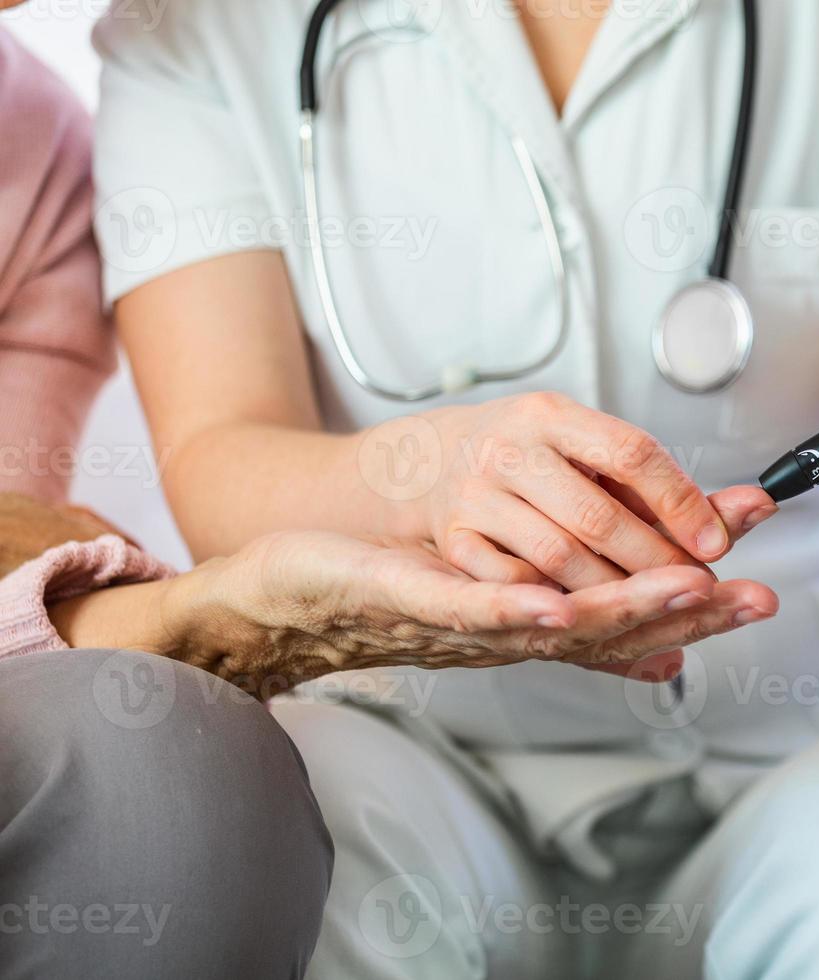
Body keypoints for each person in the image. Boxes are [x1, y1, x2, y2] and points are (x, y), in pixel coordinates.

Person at [91, 0, 819, 976]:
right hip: (412, 748)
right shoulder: (191, 21)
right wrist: (421, 475)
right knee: (264, 817)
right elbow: (217, 456)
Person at [0, 15, 771, 979]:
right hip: (407, 752)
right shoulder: (182, 40)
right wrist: (407, 480)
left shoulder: (30, 142)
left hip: (783, 738)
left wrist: (216, 619)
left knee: (172, 764)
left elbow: (10, 583)